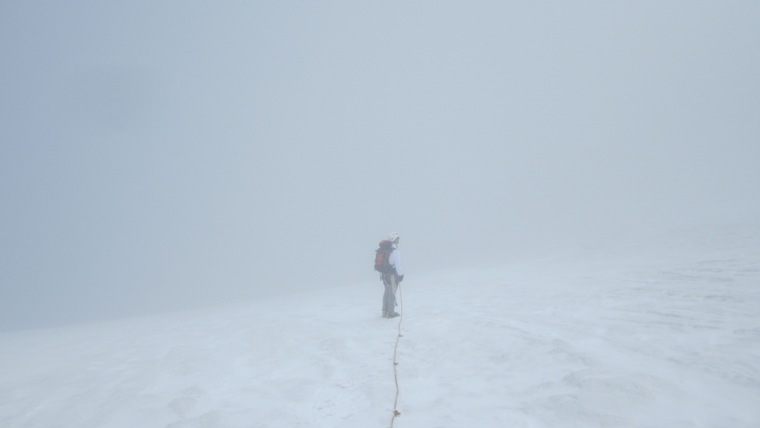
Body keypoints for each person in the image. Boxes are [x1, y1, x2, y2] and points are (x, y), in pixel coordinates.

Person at [382, 232, 404, 318]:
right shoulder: (395, 252)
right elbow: (398, 265)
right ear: (393, 240)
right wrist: (401, 275)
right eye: (397, 238)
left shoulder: (387, 250)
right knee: (392, 293)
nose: (398, 240)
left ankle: (384, 311)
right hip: (392, 275)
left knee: (387, 292)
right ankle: (391, 313)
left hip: (385, 274)